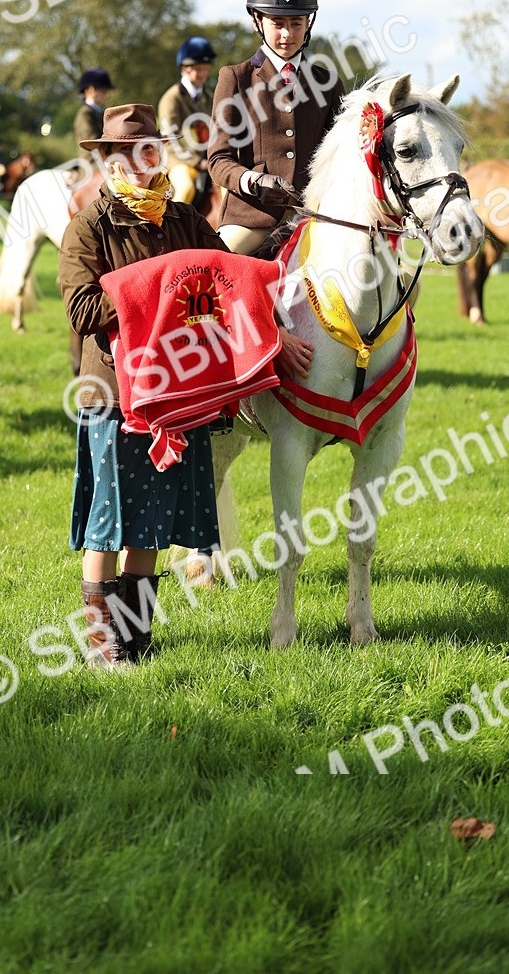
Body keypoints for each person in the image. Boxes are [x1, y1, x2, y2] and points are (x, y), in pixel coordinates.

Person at [59, 103, 312, 669]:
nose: (138, 163)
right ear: (107, 162)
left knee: (150, 519)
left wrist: (272, 331)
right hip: (116, 395)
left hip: (180, 392)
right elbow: (83, 309)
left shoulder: (183, 219)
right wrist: (161, 290)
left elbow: (231, 282)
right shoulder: (88, 227)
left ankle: (136, 639)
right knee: (110, 519)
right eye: (123, 154)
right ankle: (103, 645)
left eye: (147, 150)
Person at [208, 0, 344, 255]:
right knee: (215, 274)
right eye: (278, 24)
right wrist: (253, 180)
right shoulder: (235, 78)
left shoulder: (328, 82)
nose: (287, 34)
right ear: (257, 20)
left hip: (313, 219)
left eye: (296, 24)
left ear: (310, 23)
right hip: (251, 221)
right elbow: (218, 159)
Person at [157, 36, 216, 207]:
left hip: (206, 161)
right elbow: (170, 138)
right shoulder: (172, 98)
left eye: (206, 69)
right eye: (198, 69)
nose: (203, 74)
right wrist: (197, 162)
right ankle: (170, 230)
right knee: (186, 188)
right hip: (178, 160)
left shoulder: (208, 97)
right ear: (184, 68)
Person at [74, 67, 114, 151]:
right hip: (92, 161)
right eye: (103, 91)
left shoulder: (101, 112)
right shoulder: (85, 114)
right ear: (89, 90)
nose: (106, 95)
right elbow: (93, 143)